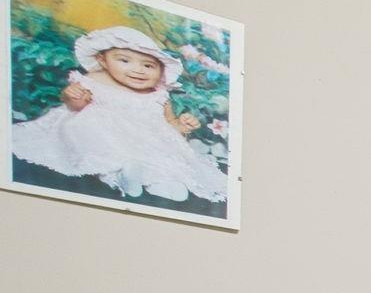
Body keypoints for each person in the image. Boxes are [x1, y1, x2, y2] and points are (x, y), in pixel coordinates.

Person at [11, 25, 228, 214]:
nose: (138, 70)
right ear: (102, 61)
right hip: (106, 134)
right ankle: (118, 176)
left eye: (148, 66)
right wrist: (75, 97)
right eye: (124, 60)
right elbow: (74, 107)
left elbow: (169, 125)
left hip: (145, 141)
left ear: (161, 70)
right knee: (92, 125)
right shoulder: (94, 80)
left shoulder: (158, 95)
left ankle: (161, 181)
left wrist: (181, 125)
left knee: (165, 154)